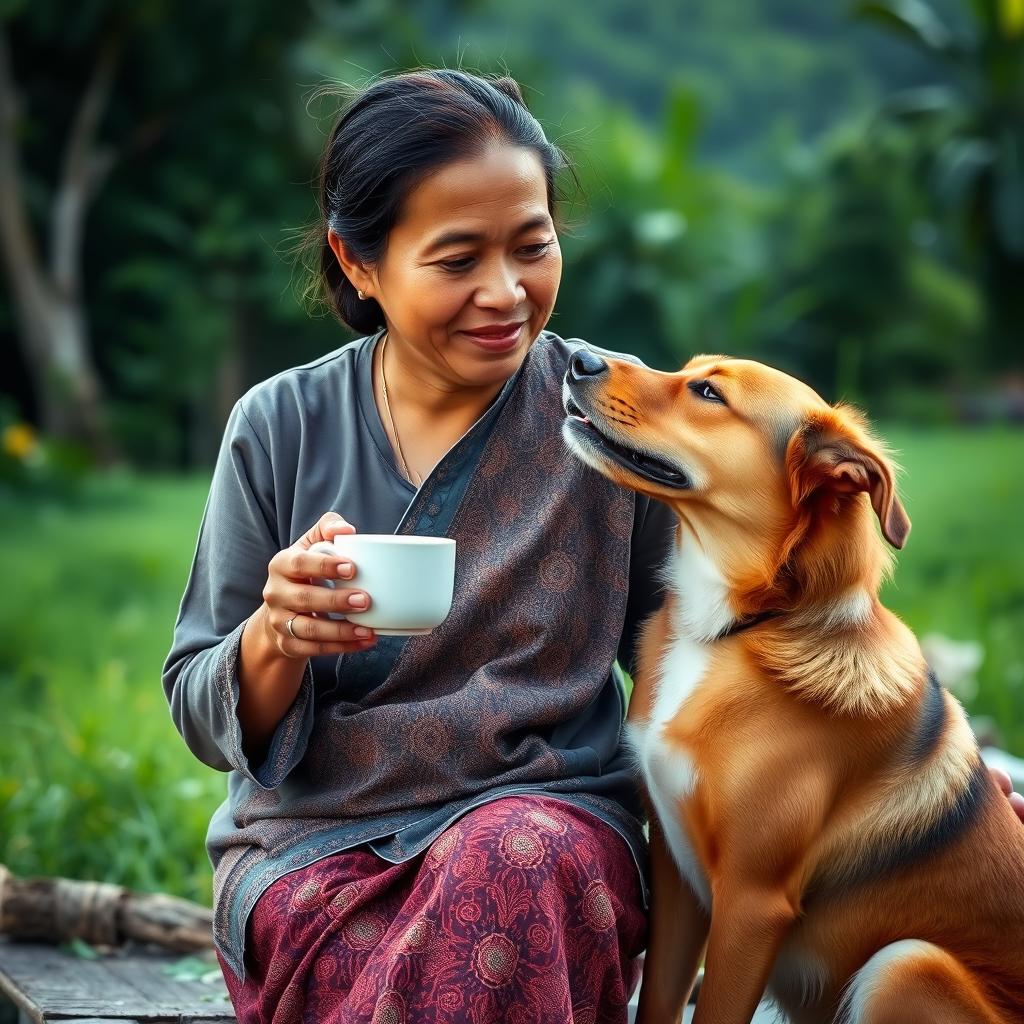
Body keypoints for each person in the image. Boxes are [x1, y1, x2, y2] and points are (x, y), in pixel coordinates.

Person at [163, 68, 1024, 1024]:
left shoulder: (612, 430)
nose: (506, 293)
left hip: (545, 844)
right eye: (456, 261)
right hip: (321, 860)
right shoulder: (279, 426)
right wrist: (274, 637)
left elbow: (731, 647)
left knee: (511, 862)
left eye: (532, 247)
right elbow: (200, 708)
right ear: (359, 264)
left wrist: (924, 783)